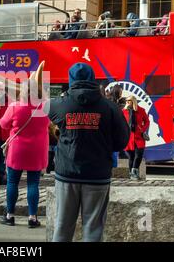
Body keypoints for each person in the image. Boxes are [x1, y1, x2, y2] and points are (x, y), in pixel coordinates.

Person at [47, 63, 130, 242]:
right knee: (93, 228)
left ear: (71, 80)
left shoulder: (58, 105)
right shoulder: (110, 108)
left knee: (62, 227)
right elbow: (122, 141)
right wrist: (105, 146)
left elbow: (45, 123)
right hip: (97, 175)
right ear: (93, 80)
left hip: (67, 174)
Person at [0, 79, 49, 228]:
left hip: (18, 149)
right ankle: (32, 218)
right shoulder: (45, 107)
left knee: (12, 182)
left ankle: (10, 215)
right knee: (33, 183)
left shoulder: (15, 107)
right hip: (37, 149)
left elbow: (3, 124)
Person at [122, 95, 150, 180]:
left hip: (139, 137)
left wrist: (142, 129)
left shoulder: (141, 110)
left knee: (139, 155)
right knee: (131, 157)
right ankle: (132, 173)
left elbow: (147, 121)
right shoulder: (123, 111)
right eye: (126, 101)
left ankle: (134, 172)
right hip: (128, 137)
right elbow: (120, 122)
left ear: (133, 101)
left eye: (129, 101)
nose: (127, 102)